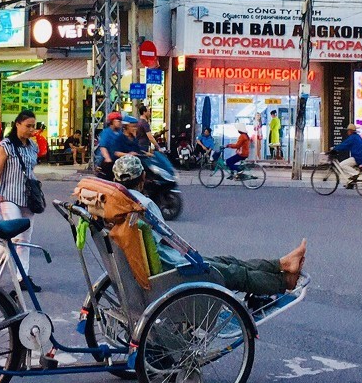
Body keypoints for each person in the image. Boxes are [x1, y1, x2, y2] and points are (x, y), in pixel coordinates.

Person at [110, 155, 306, 295]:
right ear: (143, 178)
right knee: (233, 272)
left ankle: (282, 264)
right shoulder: (144, 205)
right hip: (171, 270)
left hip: (164, 263)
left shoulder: (119, 206)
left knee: (227, 260)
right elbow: (169, 239)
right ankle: (283, 281)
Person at [0, 109, 42, 290]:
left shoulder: (33, 146)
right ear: (17, 124)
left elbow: (31, 171)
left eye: (33, 126)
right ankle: (12, 272)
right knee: (17, 238)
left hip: (28, 198)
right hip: (9, 196)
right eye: (28, 126)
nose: (31, 130)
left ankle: (20, 276)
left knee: (24, 239)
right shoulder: (5, 146)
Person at [95, 112, 139, 179]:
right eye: (118, 121)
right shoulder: (106, 132)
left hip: (118, 161)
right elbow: (103, 147)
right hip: (108, 161)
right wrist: (107, 158)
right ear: (112, 122)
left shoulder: (119, 132)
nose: (120, 123)